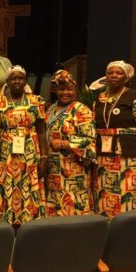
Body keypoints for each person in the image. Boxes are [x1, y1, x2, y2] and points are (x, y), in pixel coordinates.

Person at [92, 60, 136, 218]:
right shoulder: (99, 99)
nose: (114, 75)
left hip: (128, 158)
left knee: (129, 197)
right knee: (104, 197)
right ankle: (106, 234)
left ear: (126, 77)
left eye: (119, 73)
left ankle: (129, 235)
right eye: (110, 72)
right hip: (103, 159)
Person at [0, 65, 48, 226]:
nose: (17, 81)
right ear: (7, 82)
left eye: (20, 78)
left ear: (25, 81)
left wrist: (44, 156)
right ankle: (8, 224)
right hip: (6, 152)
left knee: (29, 185)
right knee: (8, 184)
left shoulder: (36, 101)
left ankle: (29, 225)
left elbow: (42, 130)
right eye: (13, 78)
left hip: (30, 151)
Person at [45, 70, 96, 216]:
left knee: (72, 207)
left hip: (73, 171)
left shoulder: (81, 110)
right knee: (55, 208)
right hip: (53, 170)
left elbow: (89, 140)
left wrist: (63, 144)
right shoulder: (51, 109)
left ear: (75, 90)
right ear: (56, 90)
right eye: (61, 89)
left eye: (69, 89)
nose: (65, 92)